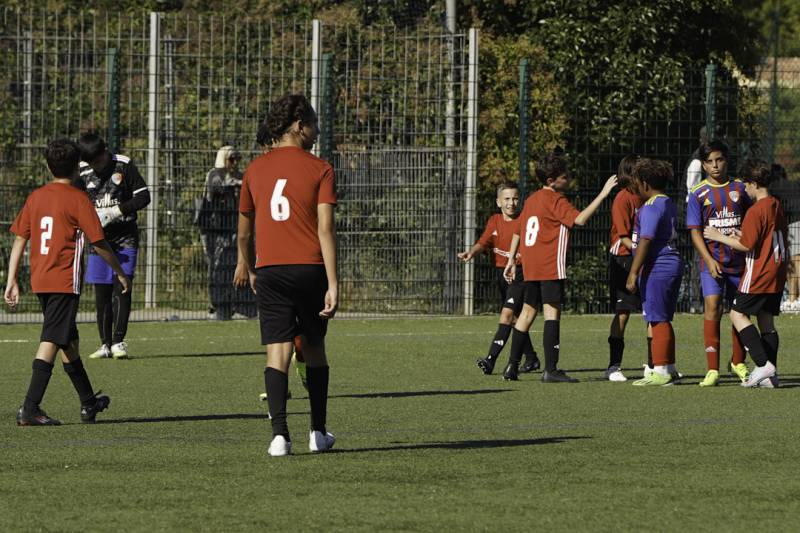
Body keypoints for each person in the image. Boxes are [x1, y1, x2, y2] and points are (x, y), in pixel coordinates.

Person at [235, 94, 338, 457]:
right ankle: (318, 432)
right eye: (312, 122)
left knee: (276, 353)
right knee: (314, 349)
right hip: (310, 268)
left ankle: (279, 437)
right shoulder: (321, 168)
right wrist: (334, 281)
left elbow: (244, 232)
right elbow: (325, 229)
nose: (316, 129)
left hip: (271, 269)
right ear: (299, 126)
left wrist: (243, 263)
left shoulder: (254, 170)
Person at [5, 138, 130, 425]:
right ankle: (30, 408)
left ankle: (89, 402)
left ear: (48, 166)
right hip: (63, 280)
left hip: (40, 279)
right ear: (77, 167)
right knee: (52, 339)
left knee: (68, 341)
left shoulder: (36, 196)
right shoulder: (77, 199)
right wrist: (120, 273)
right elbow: (99, 243)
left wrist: (11, 279)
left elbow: (20, 238)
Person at [502, 151, 617, 382]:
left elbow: (519, 230)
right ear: (551, 181)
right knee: (552, 313)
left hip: (531, 264)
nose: (569, 178)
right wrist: (604, 194)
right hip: (549, 264)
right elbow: (580, 219)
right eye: (564, 176)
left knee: (526, 313)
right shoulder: (556, 200)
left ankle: (511, 367)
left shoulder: (532, 199)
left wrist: (511, 260)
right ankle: (551, 370)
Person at [704, 159, 788, 388]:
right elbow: (762, 236)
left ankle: (763, 365)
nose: (745, 190)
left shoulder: (755, 209)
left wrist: (718, 236)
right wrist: (741, 233)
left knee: (736, 314)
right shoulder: (776, 205)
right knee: (766, 322)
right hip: (777, 271)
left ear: (753, 183)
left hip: (760, 272)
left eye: (746, 185)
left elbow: (748, 246)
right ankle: (771, 377)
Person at [75, 133, 150, 360]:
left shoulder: (124, 165)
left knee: (122, 286)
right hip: (98, 240)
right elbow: (75, 201)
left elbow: (144, 197)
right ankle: (104, 344)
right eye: (91, 163)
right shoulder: (82, 171)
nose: (96, 167)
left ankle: (118, 341)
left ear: (105, 151)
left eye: (98, 161)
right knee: (102, 292)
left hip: (125, 236)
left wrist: (117, 211)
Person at [459, 182, 540, 376]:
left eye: (515, 198)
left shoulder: (524, 220)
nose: (511, 203)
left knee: (506, 316)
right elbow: (483, 242)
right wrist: (472, 252)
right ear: (498, 202)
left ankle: (490, 360)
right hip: (501, 274)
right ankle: (531, 358)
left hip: (519, 274)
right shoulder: (494, 220)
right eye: (507, 199)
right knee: (515, 320)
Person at [686, 140, 750, 387]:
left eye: (719, 160)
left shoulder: (740, 188)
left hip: (740, 263)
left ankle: (738, 362)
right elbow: (695, 232)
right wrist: (708, 259)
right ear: (703, 164)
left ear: (726, 160)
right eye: (709, 161)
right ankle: (712, 369)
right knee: (712, 306)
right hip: (711, 263)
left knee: (740, 313)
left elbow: (751, 223)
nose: (715, 165)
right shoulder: (698, 193)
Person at [626, 159, 684, 386]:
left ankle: (660, 371)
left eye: (636, 182)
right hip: (673, 262)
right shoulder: (667, 202)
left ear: (645, 183)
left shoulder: (650, 206)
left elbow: (646, 239)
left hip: (658, 266)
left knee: (657, 319)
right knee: (664, 319)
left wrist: (633, 272)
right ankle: (669, 368)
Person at [199, 145, 256, 320]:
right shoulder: (215, 174)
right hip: (216, 230)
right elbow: (220, 186)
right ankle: (218, 304)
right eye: (232, 159)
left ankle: (239, 304)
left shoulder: (239, 176)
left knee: (236, 264)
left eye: (237, 159)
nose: (235, 163)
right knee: (217, 267)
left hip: (234, 226)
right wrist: (241, 183)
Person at [605, 155, 643, 382]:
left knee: (653, 311)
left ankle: (657, 365)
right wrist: (641, 250)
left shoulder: (648, 196)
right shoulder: (622, 198)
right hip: (624, 258)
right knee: (623, 313)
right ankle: (613, 366)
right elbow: (623, 236)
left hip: (644, 256)